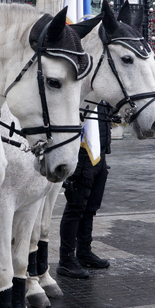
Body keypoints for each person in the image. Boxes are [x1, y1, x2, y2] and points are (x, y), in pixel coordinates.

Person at [57, 102, 113, 279]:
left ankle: (84, 252)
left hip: (100, 156)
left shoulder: (104, 96)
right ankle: (66, 260)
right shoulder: (82, 93)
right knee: (75, 207)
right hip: (82, 156)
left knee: (90, 209)